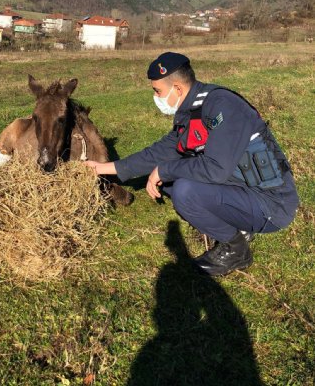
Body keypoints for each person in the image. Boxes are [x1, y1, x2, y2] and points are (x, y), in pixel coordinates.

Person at [85, 52, 299, 276]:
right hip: (245, 190)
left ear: (177, 89)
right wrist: (103, 168)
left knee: (185, 190)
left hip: (272, 205)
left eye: (158, 91)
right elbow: (161, 151)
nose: (156, 97)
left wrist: (164, 169)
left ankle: (236, 249)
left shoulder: (222, 106)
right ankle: (238, 225)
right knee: (171, 181)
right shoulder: (192, 109)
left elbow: (215, 168)